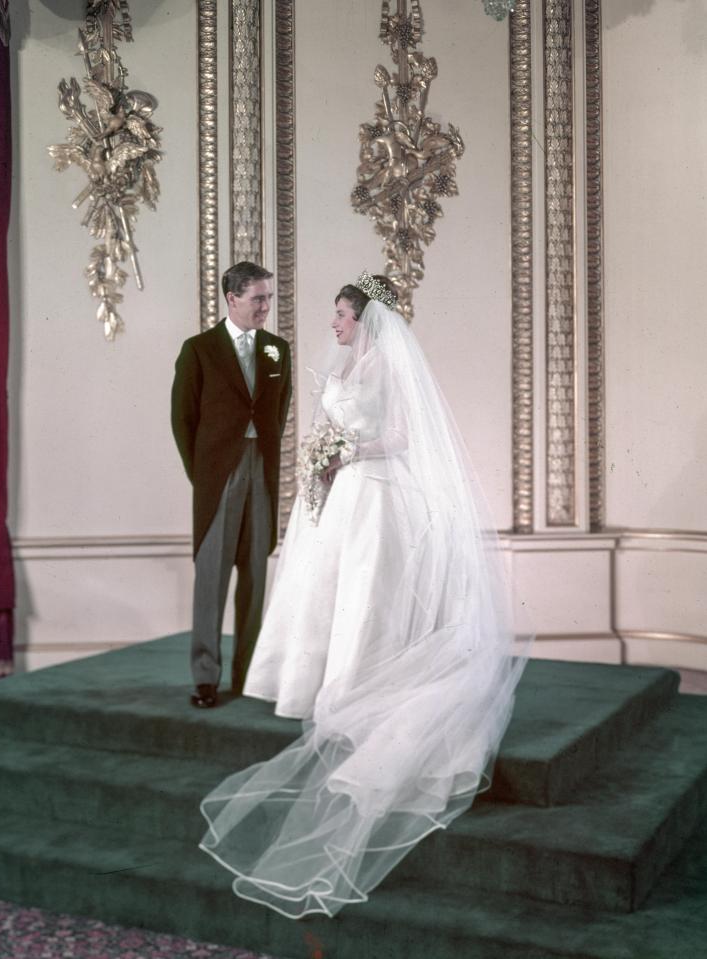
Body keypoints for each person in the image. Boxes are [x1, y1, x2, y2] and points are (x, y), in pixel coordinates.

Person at [199, 272, 530, 916]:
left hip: (374, 492)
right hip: (340, 493)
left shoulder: (388, 367)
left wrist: (344, 451)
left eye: (343, 314)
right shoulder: (351, 365)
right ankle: (312, 681)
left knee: (361, 595)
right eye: (336, 314)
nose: (334, 322)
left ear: (366, 317)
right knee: (324, 591)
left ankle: (353, 683)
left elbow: (402, 438)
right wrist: (326, 460)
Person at [171, 261, 292, 709]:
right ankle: (206, 677)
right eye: (258, 297)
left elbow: (279, 414)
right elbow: (182, 419)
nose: (266, 306)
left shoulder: (279, 350)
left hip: (261, 467)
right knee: (212, 578)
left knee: (256, 576)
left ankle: (249, 676)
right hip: (218, 474)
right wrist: (205, 474)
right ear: (232, 299)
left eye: (269, 297)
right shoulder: (199, 349)